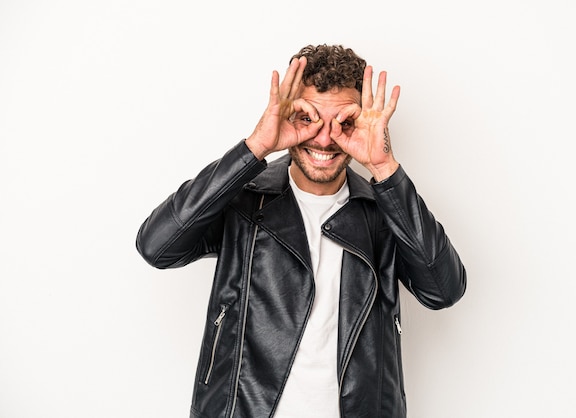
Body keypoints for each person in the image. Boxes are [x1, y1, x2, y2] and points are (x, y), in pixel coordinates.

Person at [136, 44, 466, 418]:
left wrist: (384, 168)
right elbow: (156, 246)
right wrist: (254, 148)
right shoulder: (243, 198)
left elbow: (443, 290)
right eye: (309, 118)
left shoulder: (384, 210)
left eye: (344, 123)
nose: (324, 139)